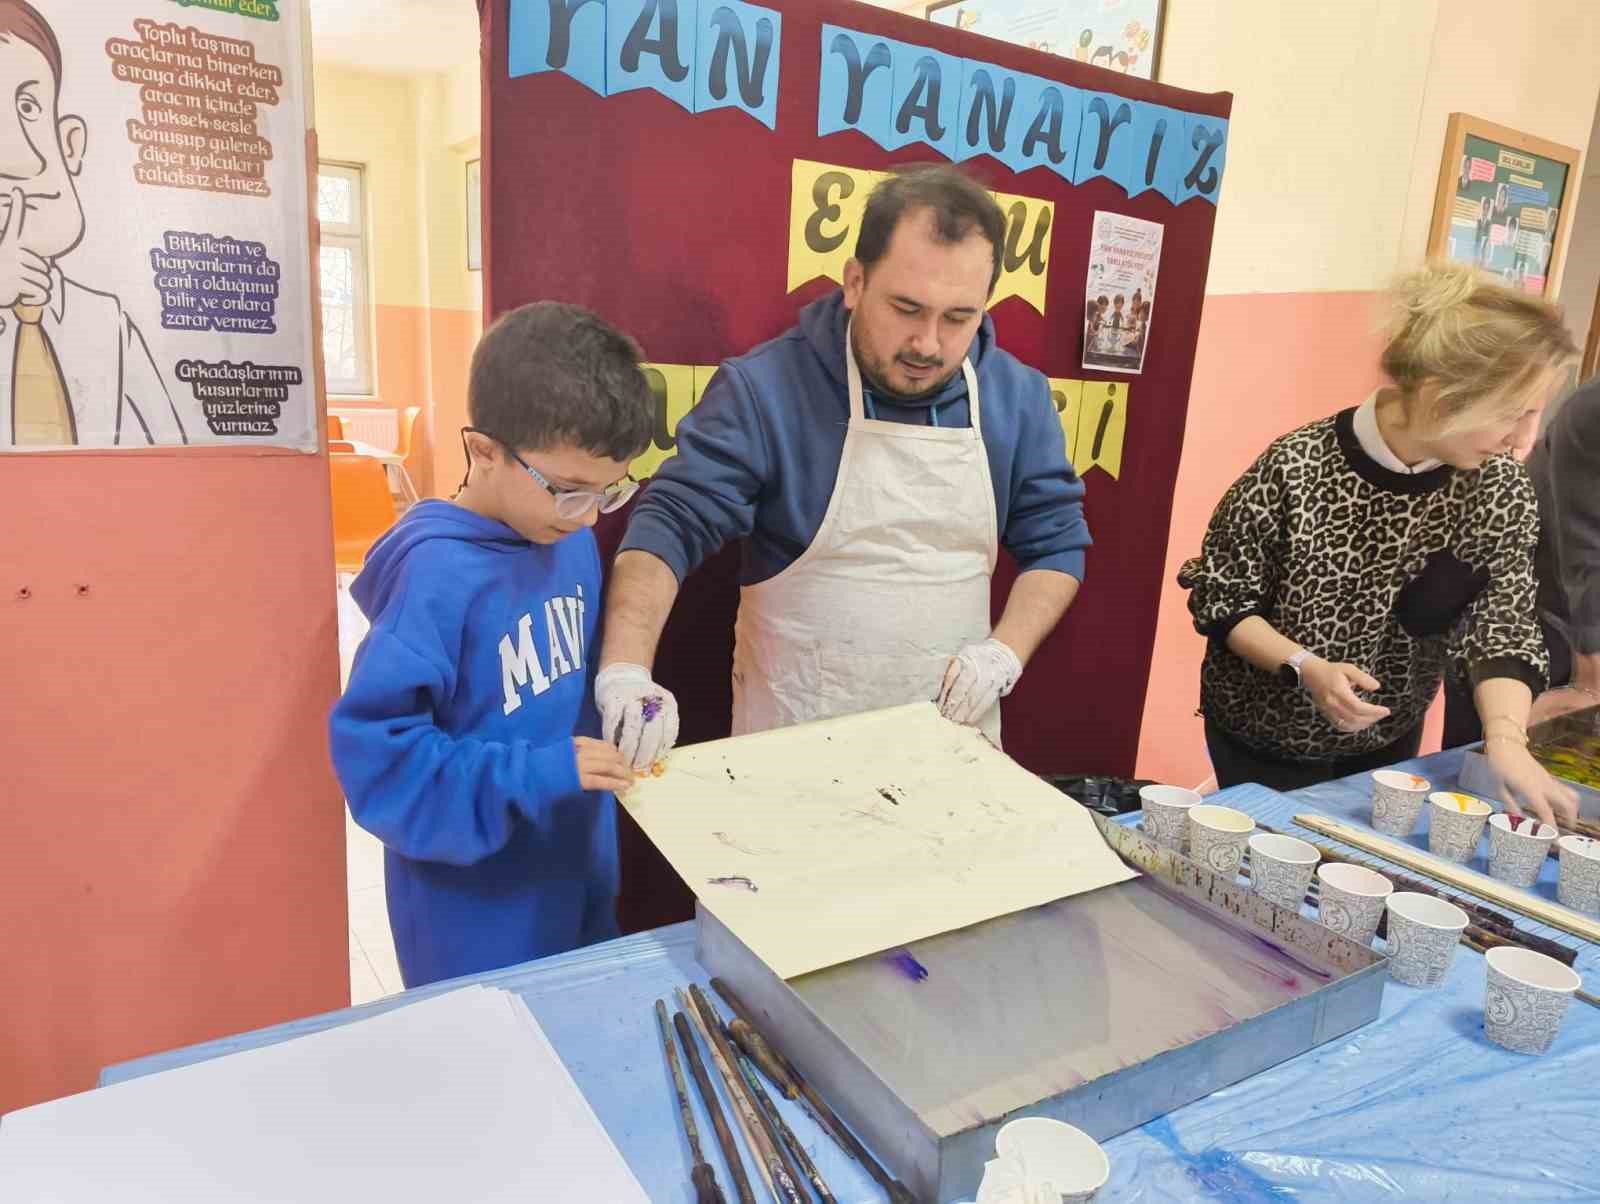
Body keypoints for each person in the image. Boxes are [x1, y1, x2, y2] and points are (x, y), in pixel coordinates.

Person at [597, 164, 1091, 767]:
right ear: (855, 281)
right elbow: (669, 524)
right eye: (906, 308)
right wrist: (625, 670)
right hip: (793, 748)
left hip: (953, 753)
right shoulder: (765, 391)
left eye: (959, 318)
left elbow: (1058, 548)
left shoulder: (1020, 399)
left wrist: (1004, 654)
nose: (928, 344)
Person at [1179, 264, 1579, 827]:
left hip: (1388, 742)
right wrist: (1305, 666)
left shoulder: (1499, 487)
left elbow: (1503, 625)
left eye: (1536, 414)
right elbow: (1223, 602)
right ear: (1442, 399)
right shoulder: (1298, 466)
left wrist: (1507, 739)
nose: (1524, 441)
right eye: (1514, 414)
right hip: (1261, 736)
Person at [329, 303, 649, 988]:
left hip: (572, 877)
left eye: (608, 492)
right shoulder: (434, 577)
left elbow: (567, 700)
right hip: (471, 920)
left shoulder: (565, 538)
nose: (589, 516)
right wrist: (536, 774)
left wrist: (625, 708)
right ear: (484, 451)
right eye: (567, 491)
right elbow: (382, 768)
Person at [0, 0, 185, 447]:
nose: (19, 159)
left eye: (27, 106)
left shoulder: (108, 322)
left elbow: (174, 445)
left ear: (70, 144)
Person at [1445, 375, 1600, 744]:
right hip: (1525, 613)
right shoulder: (1592, 411)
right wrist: (1590, 689)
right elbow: (1585, 557)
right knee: (1490, 768)